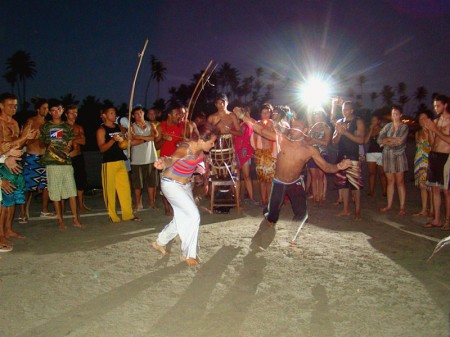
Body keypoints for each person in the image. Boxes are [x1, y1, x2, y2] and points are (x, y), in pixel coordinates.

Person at [234, 107, 351, 230]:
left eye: (297, 128)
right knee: (271, 219)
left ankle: (294, 238)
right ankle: (269, 211)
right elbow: (261, 130)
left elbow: (326, 167)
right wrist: (243, 117)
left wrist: (338, 166)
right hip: (279, 182)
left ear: (305, 130)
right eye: (292, 126)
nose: (292, 130)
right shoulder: (282, 139)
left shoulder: (309, 150)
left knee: (302, 214)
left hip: (295, 183)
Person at [151, 123, 218, 267]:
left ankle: (159, 242)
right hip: (171, 185)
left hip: (185, 185)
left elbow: (197, 164)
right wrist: (163, 161)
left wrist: (201, 171)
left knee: (181, 217)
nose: (212, 145)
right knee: (193, 215)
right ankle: (188, 255)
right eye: (211, 142)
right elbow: (171, 159)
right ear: (201, 139)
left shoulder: (201, 150)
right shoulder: (185, 149)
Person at [39, 100, 83, 230]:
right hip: (52, 163)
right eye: (52, 110)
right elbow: (41, 144)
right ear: (49, 112)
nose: (55, 112)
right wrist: (49, 146)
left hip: (66, 163)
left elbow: (71, 143)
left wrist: (68, 149)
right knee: (55, 193)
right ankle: (60, 221)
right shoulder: (45, 127)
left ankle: (75, 219)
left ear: (62, 110)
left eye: (57, 110)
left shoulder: (68, 127)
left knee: (71, 191)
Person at [0, 92, 36, 244]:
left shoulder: (15, 123)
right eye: (10, 105)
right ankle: (0, 232)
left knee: (13, 199)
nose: (13, 108)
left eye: (15, 105)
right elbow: (2, 147)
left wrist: (27, 138)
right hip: (3, 163)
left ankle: (8, 228)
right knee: (3, 201)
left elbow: (17, 145)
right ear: (1, 106)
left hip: (15, 164)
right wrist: (23, 137)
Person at [96, 104, 141, 223]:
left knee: (125, 189)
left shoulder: (119, 127)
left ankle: (128, 214)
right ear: (104, 115)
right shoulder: (101, 130)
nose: (114, 115)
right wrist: (112, 140)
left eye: (114, 113)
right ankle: (113, 215)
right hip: (108, 163)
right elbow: (102, 148)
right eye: (111, 113)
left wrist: (125, 138)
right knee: (109, 190)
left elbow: (126, 135)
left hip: (121, 160)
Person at [20, 97, 55, 223]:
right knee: (29, 187)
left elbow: (50, 142)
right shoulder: (31, 121)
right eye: (44, 108)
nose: (46, 110)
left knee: (46, 185)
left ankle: (44, 210)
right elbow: (23, 140)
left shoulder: (48, 124)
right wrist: (35, 137)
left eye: (47, 108)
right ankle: (23, 212)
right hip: (32, 157)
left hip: (44, 157)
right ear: (38, 109)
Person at [332, 100, 366, 220]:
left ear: (352, 110)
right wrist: (340, 133)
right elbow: (334, 141)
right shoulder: (339, 122)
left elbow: (361, 140)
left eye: (346, 109)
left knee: (355, 185)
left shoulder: (358, 121)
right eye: (342, 109)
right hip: (341, 155)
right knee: (343, 184)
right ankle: (346, 209)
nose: (344, 112)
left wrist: (345, 132)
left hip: (353, 156)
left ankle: (357, 211)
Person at [423, 94, 450, 230]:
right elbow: (432, 142)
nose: (435, 108)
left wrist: (435, 130)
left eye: (438, 105)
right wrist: (429, 131)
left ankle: (448, 221)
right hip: (434, 156)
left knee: (446, 191)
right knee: (434, 189)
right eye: (434, 106)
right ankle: (437, 219)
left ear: (445, 105)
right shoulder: (436, 121)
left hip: (446, 157)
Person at [377, 105, 409, 216]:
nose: (394, 116)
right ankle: (389, 205)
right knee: (390, 181)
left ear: (400, 114)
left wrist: (387, 140)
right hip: (387, 156)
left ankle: (402, 207)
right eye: (392, 114)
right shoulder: (387, 126)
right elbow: (379, 139)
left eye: (396, 114)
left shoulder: (404, 127)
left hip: (399, 155)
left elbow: (400, 141)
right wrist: (391, 140)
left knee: (400, 182)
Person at [130, 105, 159, 210]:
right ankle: (138, 203)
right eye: (137, 114)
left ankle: (152, 203)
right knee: (138, 184)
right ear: (133, 116)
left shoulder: (150, 124)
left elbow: (154, 137)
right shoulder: (132, 127)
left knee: (152, 182)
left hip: (151, 157)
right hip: (137, 159)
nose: (139, 115)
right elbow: (132, 142)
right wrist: (147, 139)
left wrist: (139, 137)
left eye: (141, 113)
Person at [251, 103, 277, 207]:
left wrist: (271, 129)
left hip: (271, 154)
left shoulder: (275, 124)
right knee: (261, 179)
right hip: (260, 154)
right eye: (263, 112)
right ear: (260, 114)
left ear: (270, 113)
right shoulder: (257, 124)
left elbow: (278, 138)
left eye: (267, 112)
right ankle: (263, 200)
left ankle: (270, 200)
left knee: (270, 179)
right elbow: (253, 139)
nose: (265, 115)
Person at [65, 104, 90, 212]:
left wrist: (72, 139)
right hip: (67, 158)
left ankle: (81, 204)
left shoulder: (79, 127)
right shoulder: (61, 126)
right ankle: (64, 207)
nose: (74, 115)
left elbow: (83, 141)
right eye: (71, 113)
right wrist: (76, 138)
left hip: (78, 157)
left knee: (80, 182)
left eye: (75, 112)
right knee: (66, 183)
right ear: (66, 114)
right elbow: (59, 142)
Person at [159, 106, 183, 215]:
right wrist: (163, 139)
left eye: (179, 114)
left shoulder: (181, 126)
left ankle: (176, 206)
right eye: (176, 114)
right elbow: (156, 145)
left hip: (178, 159)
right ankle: (166, 206)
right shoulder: (161, 126)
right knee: (166, 184)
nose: (179, 116)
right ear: (169, 115)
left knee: (178, 184)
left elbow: (184, 141)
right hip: (165, 160)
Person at [0, 147, 23, 252]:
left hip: (6, 161)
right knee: (3, 204)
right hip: (2, 167)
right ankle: (1, 234)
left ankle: (8, 230)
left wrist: (6, 157)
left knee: (10, 199)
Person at [307, 109, 331, 206]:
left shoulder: (326, 128)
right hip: (312, 154)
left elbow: (326, 142)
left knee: (321, 176)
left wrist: (315, 140)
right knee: (313, 176)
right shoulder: (311, 128)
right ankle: (315, 197)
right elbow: (307, 142)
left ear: (322, 117)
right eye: (316, 117)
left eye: (319, 116)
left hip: (322, 154)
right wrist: (312, 141)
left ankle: (320, 197)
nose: (317, 119)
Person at [232, 106, 256, 204]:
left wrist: (229, 130)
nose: (246, 114)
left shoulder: (249, 123)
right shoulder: (240, 124)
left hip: (245, 152)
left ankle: (251, 198)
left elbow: (241, 134)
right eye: (244, 112)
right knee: (237, 177)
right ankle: (237, 200)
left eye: (247, 112)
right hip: (237, 152)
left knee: (247, 176)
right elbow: (235, 137)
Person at [413, 111, 434, 217]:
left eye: (424, 118)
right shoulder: (417, 133)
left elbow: (432, 145)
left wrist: (428, 131)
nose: (422, 121)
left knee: (430, 187)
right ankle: (424, 209)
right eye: (420, 119)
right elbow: (418, 147)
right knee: (422, 187)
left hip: (429, 161)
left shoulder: (432, 131)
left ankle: (432, 210)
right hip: (419, 161)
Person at [364, 114, 387, 197]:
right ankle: (371, 191)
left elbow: (384, 142)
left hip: (381, 153)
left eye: (375, 120)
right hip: (371, 153)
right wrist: (370, 130)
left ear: (378, 121)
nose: (373, 122)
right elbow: (366, 141)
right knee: (371, 173)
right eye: (372, 120)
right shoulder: (369, 130)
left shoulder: (382, 130)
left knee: (382, 173)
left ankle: (385, 191)